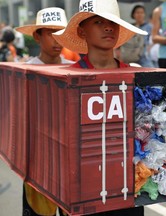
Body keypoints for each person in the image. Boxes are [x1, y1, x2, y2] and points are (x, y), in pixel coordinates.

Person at [52, 0, 147, 215]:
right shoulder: (65, 80)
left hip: (126, 190)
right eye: (98, 22)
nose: (107, 27)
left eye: (112, 22)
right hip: (82, 192)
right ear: (82, 31)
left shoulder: (137, 77)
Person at [15, 7, 73, 216]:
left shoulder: (75, 70)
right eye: (50, 33)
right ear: (37, 36)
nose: (57, 40)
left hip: (68, 160)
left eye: (61, 33)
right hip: (37, 162)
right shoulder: (24, 72)